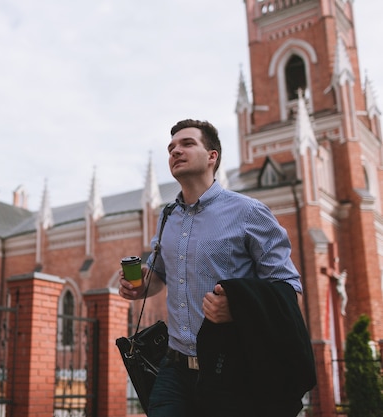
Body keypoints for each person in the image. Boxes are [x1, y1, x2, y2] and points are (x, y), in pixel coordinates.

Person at [118, 119, 303, 417]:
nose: (176, 151)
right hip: (173, 370)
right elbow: (158, 275)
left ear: (212, 156)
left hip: (232, 370)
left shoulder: (249, 212)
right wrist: (139, 285)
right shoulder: (167, 217)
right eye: (171, 148)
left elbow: (289, 290)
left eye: (187, 144)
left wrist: (240, 307)